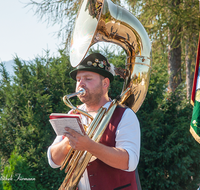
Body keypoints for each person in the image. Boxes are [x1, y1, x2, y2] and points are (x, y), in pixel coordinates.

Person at [47, 53, 141, 190]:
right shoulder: (72, 114)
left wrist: (89, 145)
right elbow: (53, 161)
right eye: (78, 79)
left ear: (105, 83)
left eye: (88, 78)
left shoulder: (124, 115)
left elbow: (129, 161)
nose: (81, 84)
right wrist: (69, 141)